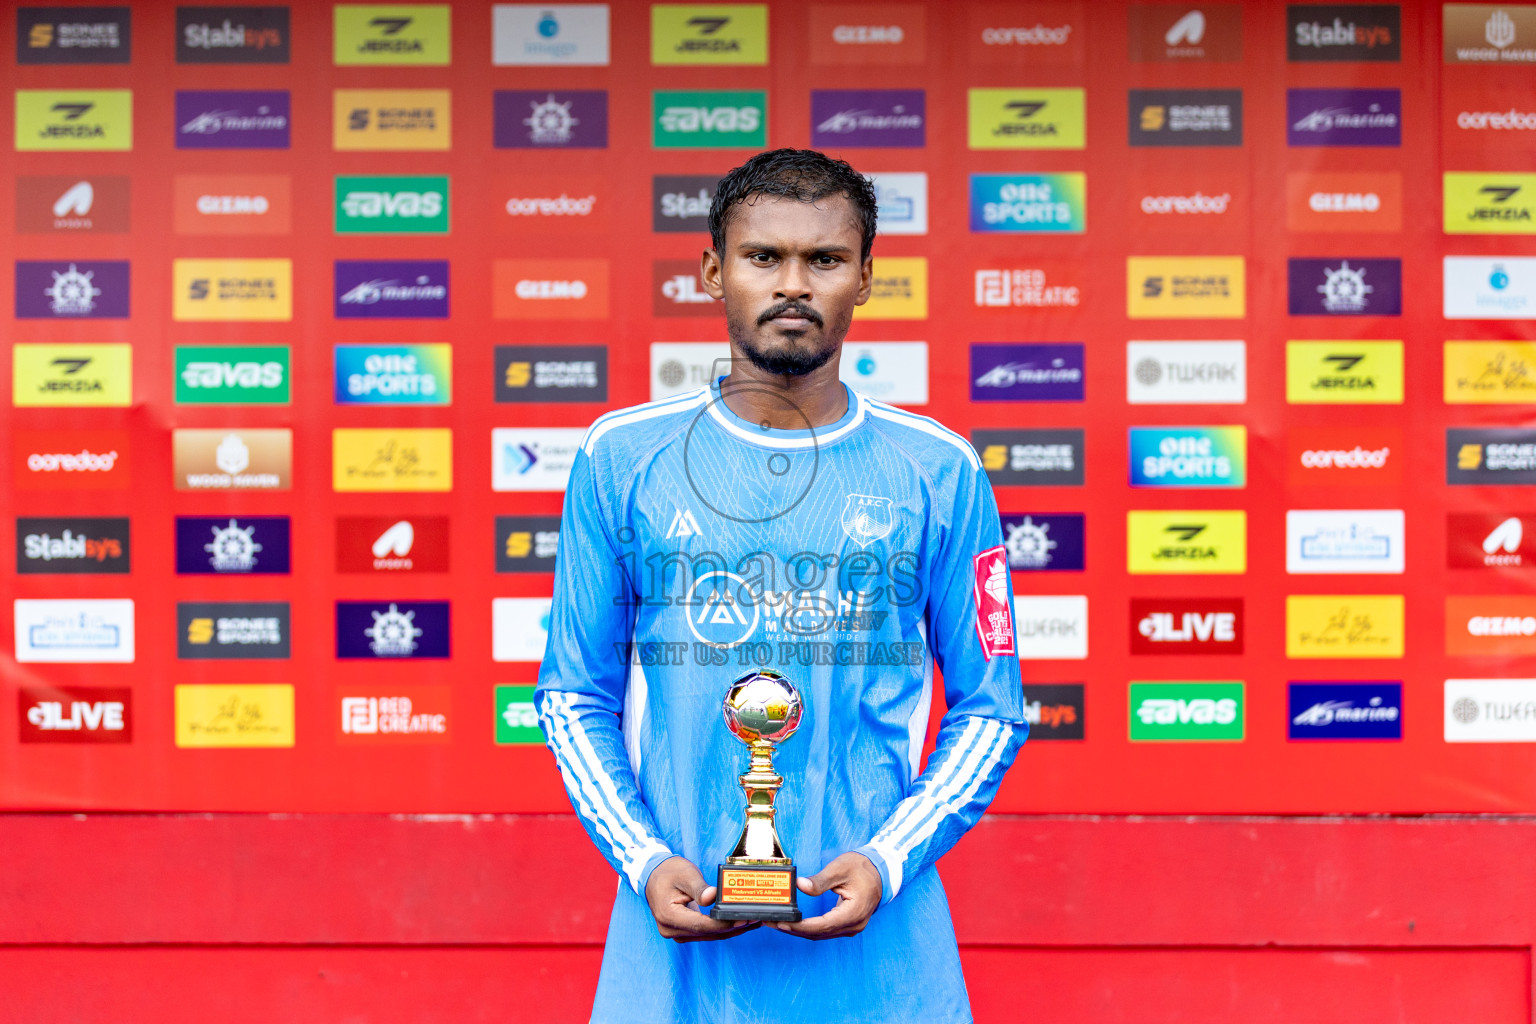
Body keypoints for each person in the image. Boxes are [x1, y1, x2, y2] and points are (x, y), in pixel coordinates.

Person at [535, 148, 1027, 1023]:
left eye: (825, 260)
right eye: (765, 257)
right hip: (676, 960)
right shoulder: (621, 458)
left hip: (881, 962)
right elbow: (574, 698)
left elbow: (992, 707)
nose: (793, 284)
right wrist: (644, 858)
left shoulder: (939, 471)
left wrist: (890, 855)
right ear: (714, 270)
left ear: (865, 278)